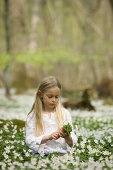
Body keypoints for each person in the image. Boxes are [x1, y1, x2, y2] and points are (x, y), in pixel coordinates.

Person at [25, 76, 77, 157]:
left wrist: (67, 137)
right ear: (40, 94)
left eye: (57, 97)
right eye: (50, 96)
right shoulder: (33, 115)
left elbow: (72, 143)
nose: (54, 100)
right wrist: (48, 137)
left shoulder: (65, 114)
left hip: (61, 154)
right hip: (39, 154)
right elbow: (29, 140)